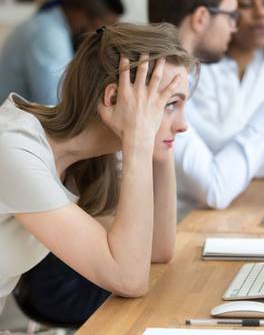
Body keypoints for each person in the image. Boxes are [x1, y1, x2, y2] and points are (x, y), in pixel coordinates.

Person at [0, 22, 197, 325]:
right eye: (170, 104)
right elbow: (129, 278)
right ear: (113, 99)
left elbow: (158, 248)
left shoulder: (81, 158)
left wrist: (157, 142)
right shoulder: (15, 149)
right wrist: (140, 140)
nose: (183, 125)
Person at [148, 0, 264, 219]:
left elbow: (216, 148)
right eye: (232, 15)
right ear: (201, 19)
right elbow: (216, 187)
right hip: (175, 231)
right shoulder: (157, 88)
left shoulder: (177, 77)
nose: (234, 25)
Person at [0, 0, 124, 106]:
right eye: (99, 29)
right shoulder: (48, 35)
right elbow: (56, 105)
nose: (99, 39)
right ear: (80, 15)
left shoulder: (48, 24)